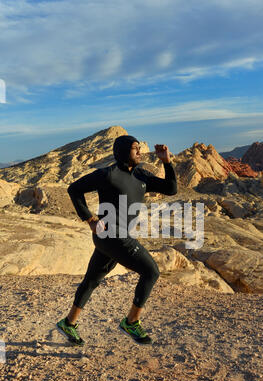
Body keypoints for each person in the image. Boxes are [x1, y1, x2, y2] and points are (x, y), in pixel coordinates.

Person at [56, 135, 177, 346]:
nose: (139, 152)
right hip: (110, 234)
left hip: (116, 237)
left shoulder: (141, 175)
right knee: (151, 271)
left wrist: (167, 162)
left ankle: (68, 323)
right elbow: (74, 189)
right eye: (134, 148)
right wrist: (90, 219)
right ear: (122, 152)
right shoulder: (107, 174)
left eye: (139, 148)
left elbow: (171, 189)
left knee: (92, 280)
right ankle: (131, 322)